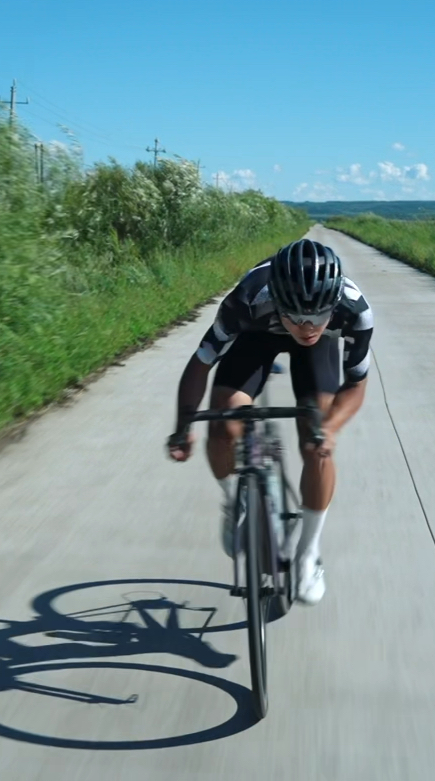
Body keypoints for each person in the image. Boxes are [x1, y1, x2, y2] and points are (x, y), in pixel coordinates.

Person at [167, 238, 372, 605]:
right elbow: (201, 362)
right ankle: (234, 504)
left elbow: (355, 385)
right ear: (278, 300)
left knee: (317, 443)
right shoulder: (245, 300)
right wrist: (184, 425)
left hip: (320, 351)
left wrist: (330, 428)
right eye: (296, 317)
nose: (306, 326)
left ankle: (308, 556)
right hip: (255, 336)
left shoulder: (354, 310)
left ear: (334, 305)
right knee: (224, 425)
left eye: (316, 317)